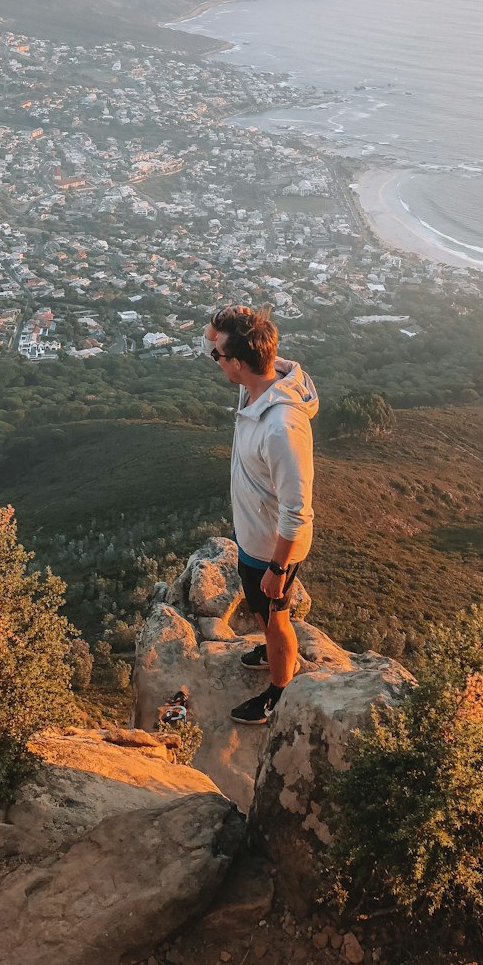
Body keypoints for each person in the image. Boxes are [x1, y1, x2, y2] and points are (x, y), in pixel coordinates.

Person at [203, 304, 318, 725]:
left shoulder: (281, 425)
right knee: (261, 610)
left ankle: (279, 692)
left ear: (238, 364)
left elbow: (296, 509)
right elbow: (211, 341)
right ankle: (271, 649)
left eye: (221, 357)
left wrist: (278, 567)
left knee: (274, 617)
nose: (215, 359)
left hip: (274, 545)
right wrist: (220, 321)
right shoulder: (258, 383)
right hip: (258, 535)